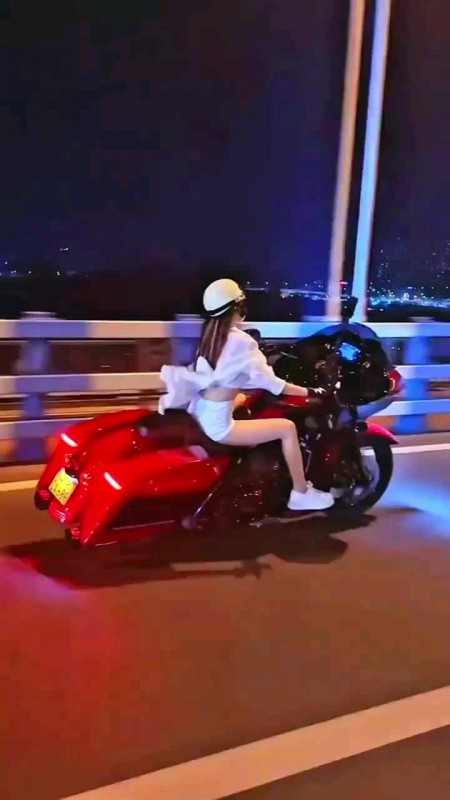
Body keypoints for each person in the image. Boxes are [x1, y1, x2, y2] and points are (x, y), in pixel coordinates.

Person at [159, 279, 334, 512]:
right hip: (218, 427)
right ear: (237, 307)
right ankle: (300, 493)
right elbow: (275, 385)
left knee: (244, 399)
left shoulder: (211, 337)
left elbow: (228, 377)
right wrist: (313, 391)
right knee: (287, 428)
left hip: (200, 412)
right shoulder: (242, 342)